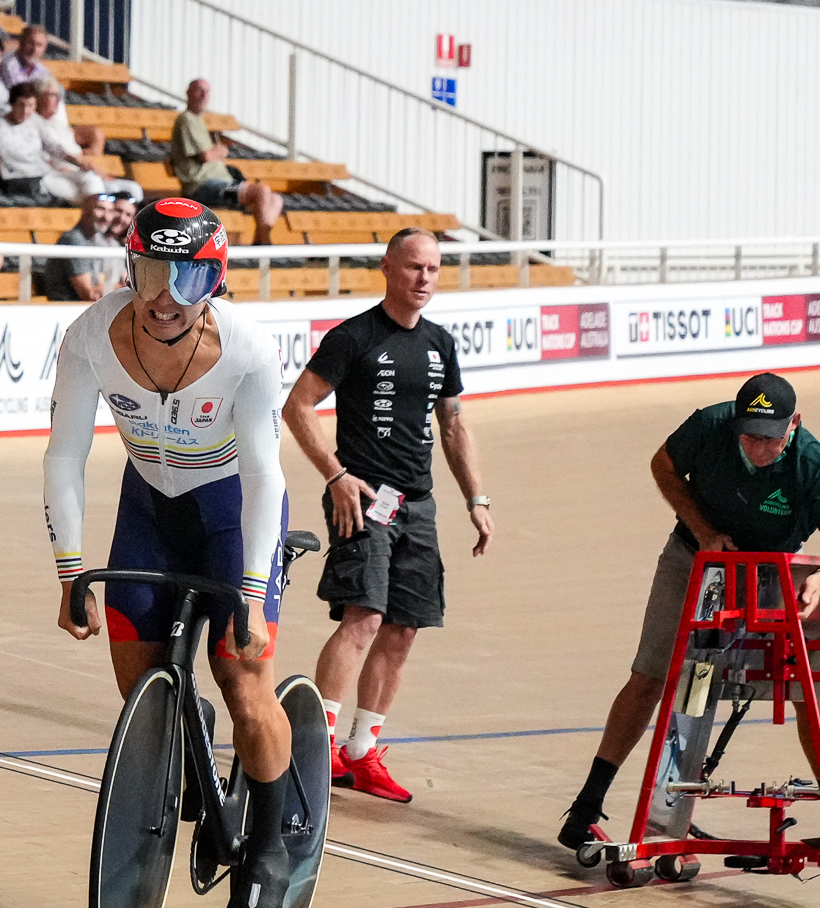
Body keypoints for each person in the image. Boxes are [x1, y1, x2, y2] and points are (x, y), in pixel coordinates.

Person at [44, 196, 303, 908]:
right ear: (130, 265)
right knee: (137, 680)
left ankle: (271, 841)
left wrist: (252, 594)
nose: (164, 295)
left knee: (245, 678)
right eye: (152, 271)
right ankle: (189, 730)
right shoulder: (91, 334)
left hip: (230, 512)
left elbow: (264, 478)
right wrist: (69, 568)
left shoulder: (247, 350)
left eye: (186, 279)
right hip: (150, 505)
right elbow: (65, 454)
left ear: (213, 281)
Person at [556, 373, 820, 854]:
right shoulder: (710, 425)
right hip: (696, 558)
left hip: (775, 569)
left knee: (806, 689)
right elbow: (663, 465)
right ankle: (588, 802)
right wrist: (701, 530)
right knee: (650, 674)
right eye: (749, 436)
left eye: (769, 439)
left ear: (794, 425)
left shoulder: (810, 462)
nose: (757, 448)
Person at [280, 227, 492, 803]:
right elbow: (297, 406)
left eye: (433, 269)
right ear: (388, 268)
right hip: (362, 498)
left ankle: (360, 750)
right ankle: (317, 745)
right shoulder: (353, 338)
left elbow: (451, 424)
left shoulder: (440, 343)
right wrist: (334, 474)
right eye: (413, 267)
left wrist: (476, 499)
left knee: (403, 628)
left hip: (416, 505)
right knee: (365, 618)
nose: (424, 279)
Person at [172, 78, 283, 245]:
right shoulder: (186, 119)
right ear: (189, 93)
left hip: (221, 182)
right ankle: (265, 242)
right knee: (260, 191)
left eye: (207, 92)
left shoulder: (199, 121)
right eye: (199, 90)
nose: (204, 96)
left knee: (275, 199)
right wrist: (220, 150)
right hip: (202, 185)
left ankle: (259, 241)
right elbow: (206, 156)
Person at [0, 81, 105, 203]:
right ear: (12, 104)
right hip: (24, 179)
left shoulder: (34, 121)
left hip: (46, 174)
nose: (25, 111)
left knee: (91, 178)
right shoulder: (0, 127)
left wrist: (81, 162)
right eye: (21, 105)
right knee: (80, 194)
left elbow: (54, 148)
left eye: (30, 105)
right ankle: (97, 214)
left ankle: (100, 213)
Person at [41, 193, 126, 302]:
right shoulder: (73, 240)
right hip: (67, 309)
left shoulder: (104, 242)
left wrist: (113, 289)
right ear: (85, 210)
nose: (106, 217)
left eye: (110, 211)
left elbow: (127, 284)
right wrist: (119, 289)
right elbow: (89, 295)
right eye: (100, 209)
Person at [0, 23, 49, 88]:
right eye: (31, 43)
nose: (34, 49)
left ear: (44, 48)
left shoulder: (44, 73)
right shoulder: (5, 64)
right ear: (21, 43)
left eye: (39, 45)